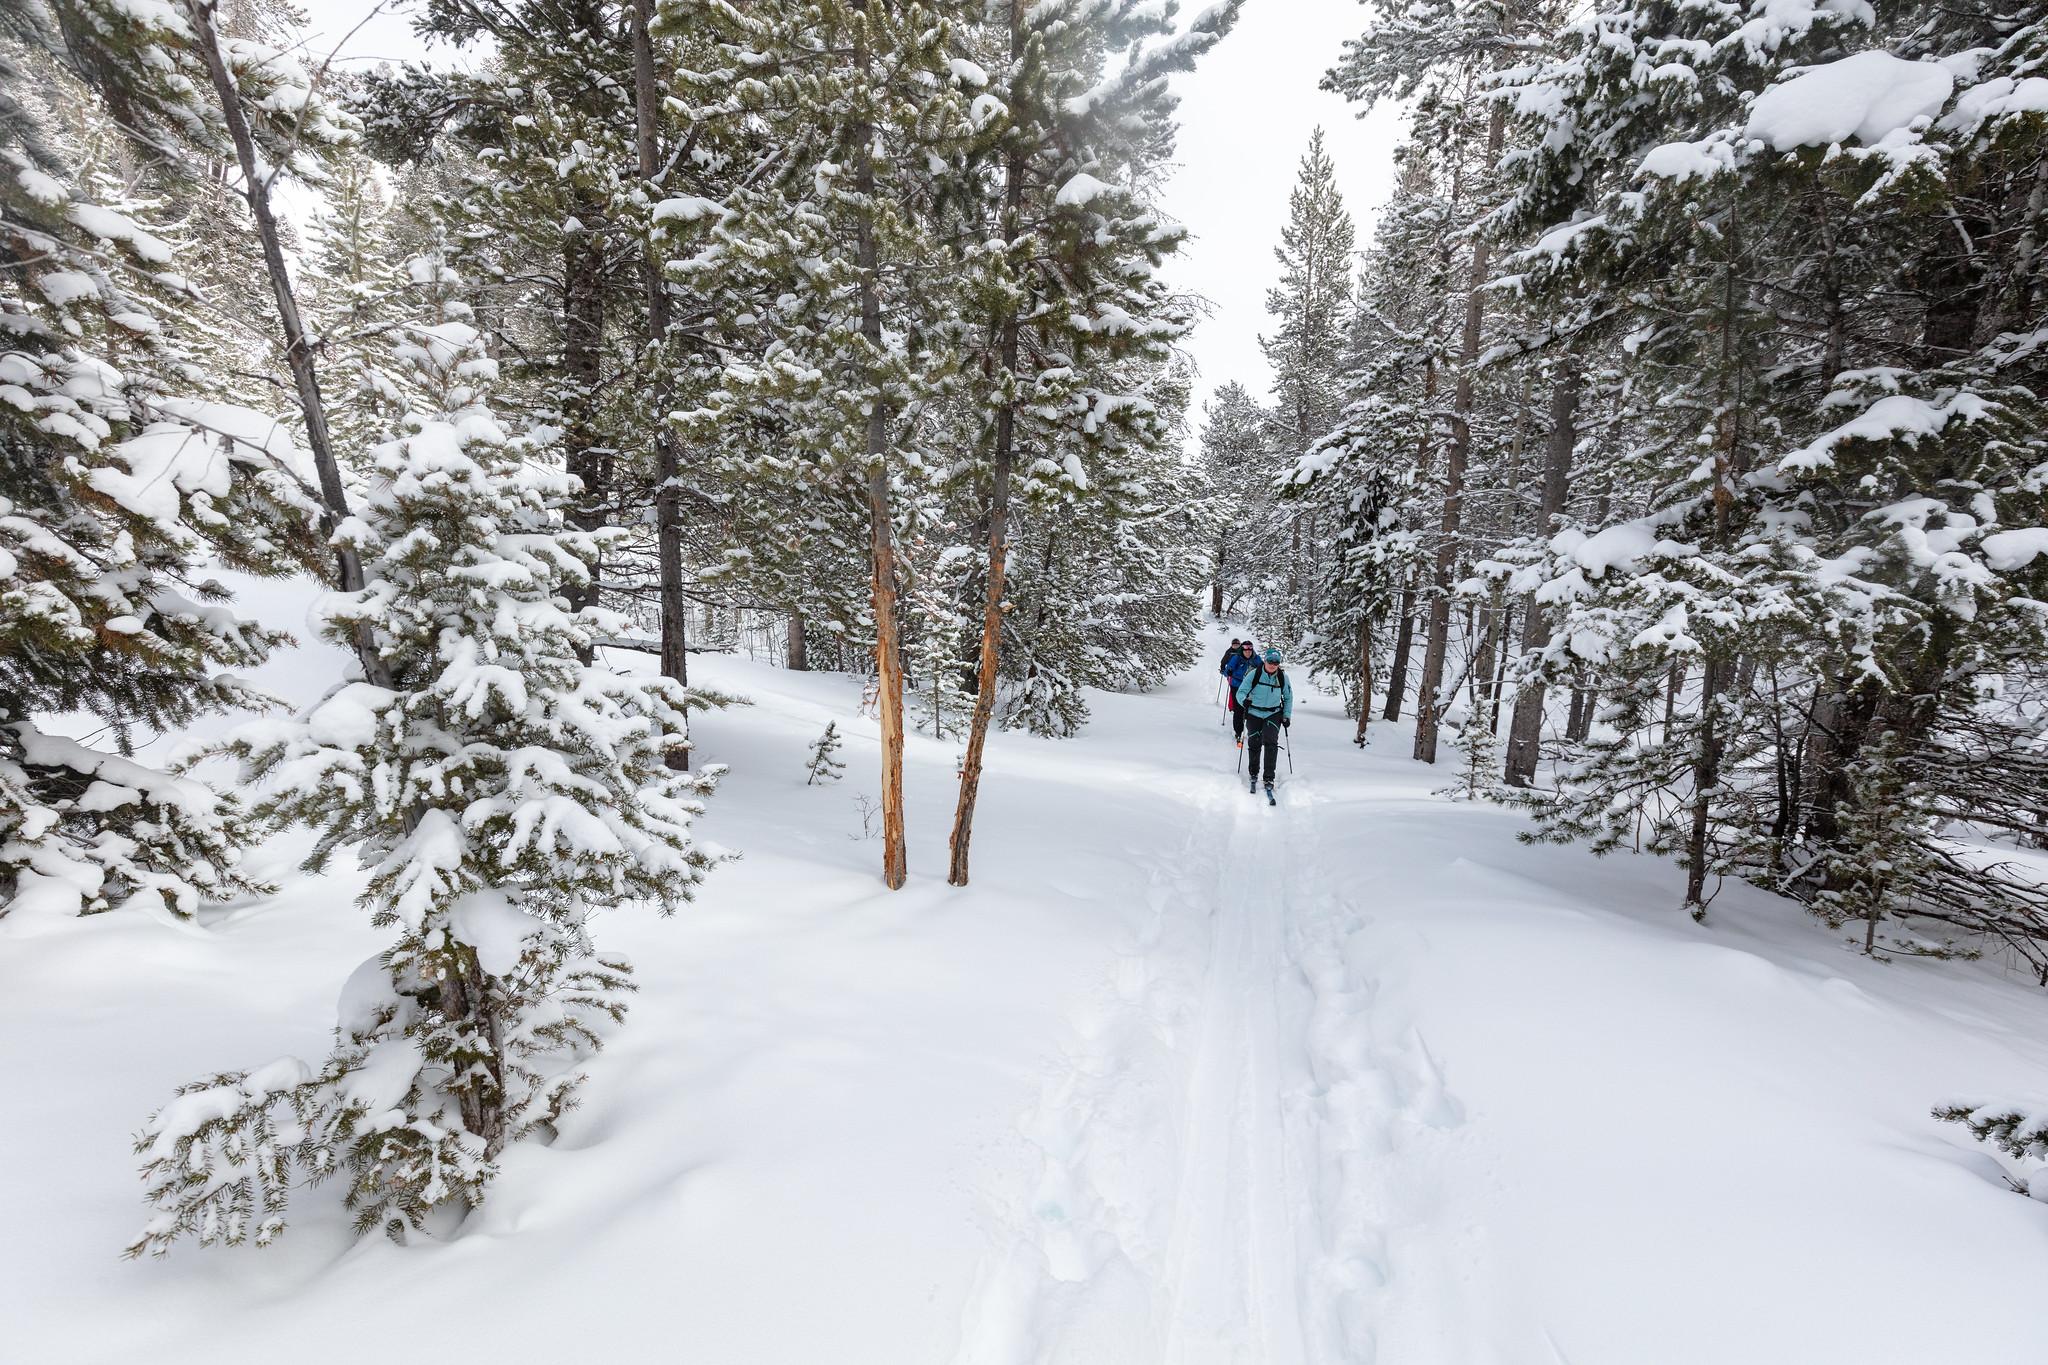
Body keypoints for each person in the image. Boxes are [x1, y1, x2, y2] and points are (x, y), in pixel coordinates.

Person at [1235, 647, 1293, 802]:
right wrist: (1244, 701)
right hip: (1254, 712)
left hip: (1273, 714)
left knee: (1271, 744)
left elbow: (1288, 697)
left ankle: (1269, 777)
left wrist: (1286, 716)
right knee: (1254, 743)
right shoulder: (1254, 674)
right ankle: (1254, 772)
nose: (1273, 665)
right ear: (1265, 660)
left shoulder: (1282, 677)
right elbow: (1240, 693)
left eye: (1276, 662)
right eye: (1270, 661)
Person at [1221, 639, 1260, 742]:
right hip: (1237, 686)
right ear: (1242, 650)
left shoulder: (1256, 659)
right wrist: (1227, 672)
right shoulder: (1236, 658)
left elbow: (1263, 669)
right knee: (1238, 709)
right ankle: (1239, 731)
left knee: (1251, 709)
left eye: (1250, 650)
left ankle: (1253, 731)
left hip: (1251, 687)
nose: (1248, 652)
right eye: (1245, 650)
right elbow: (1227, 670)